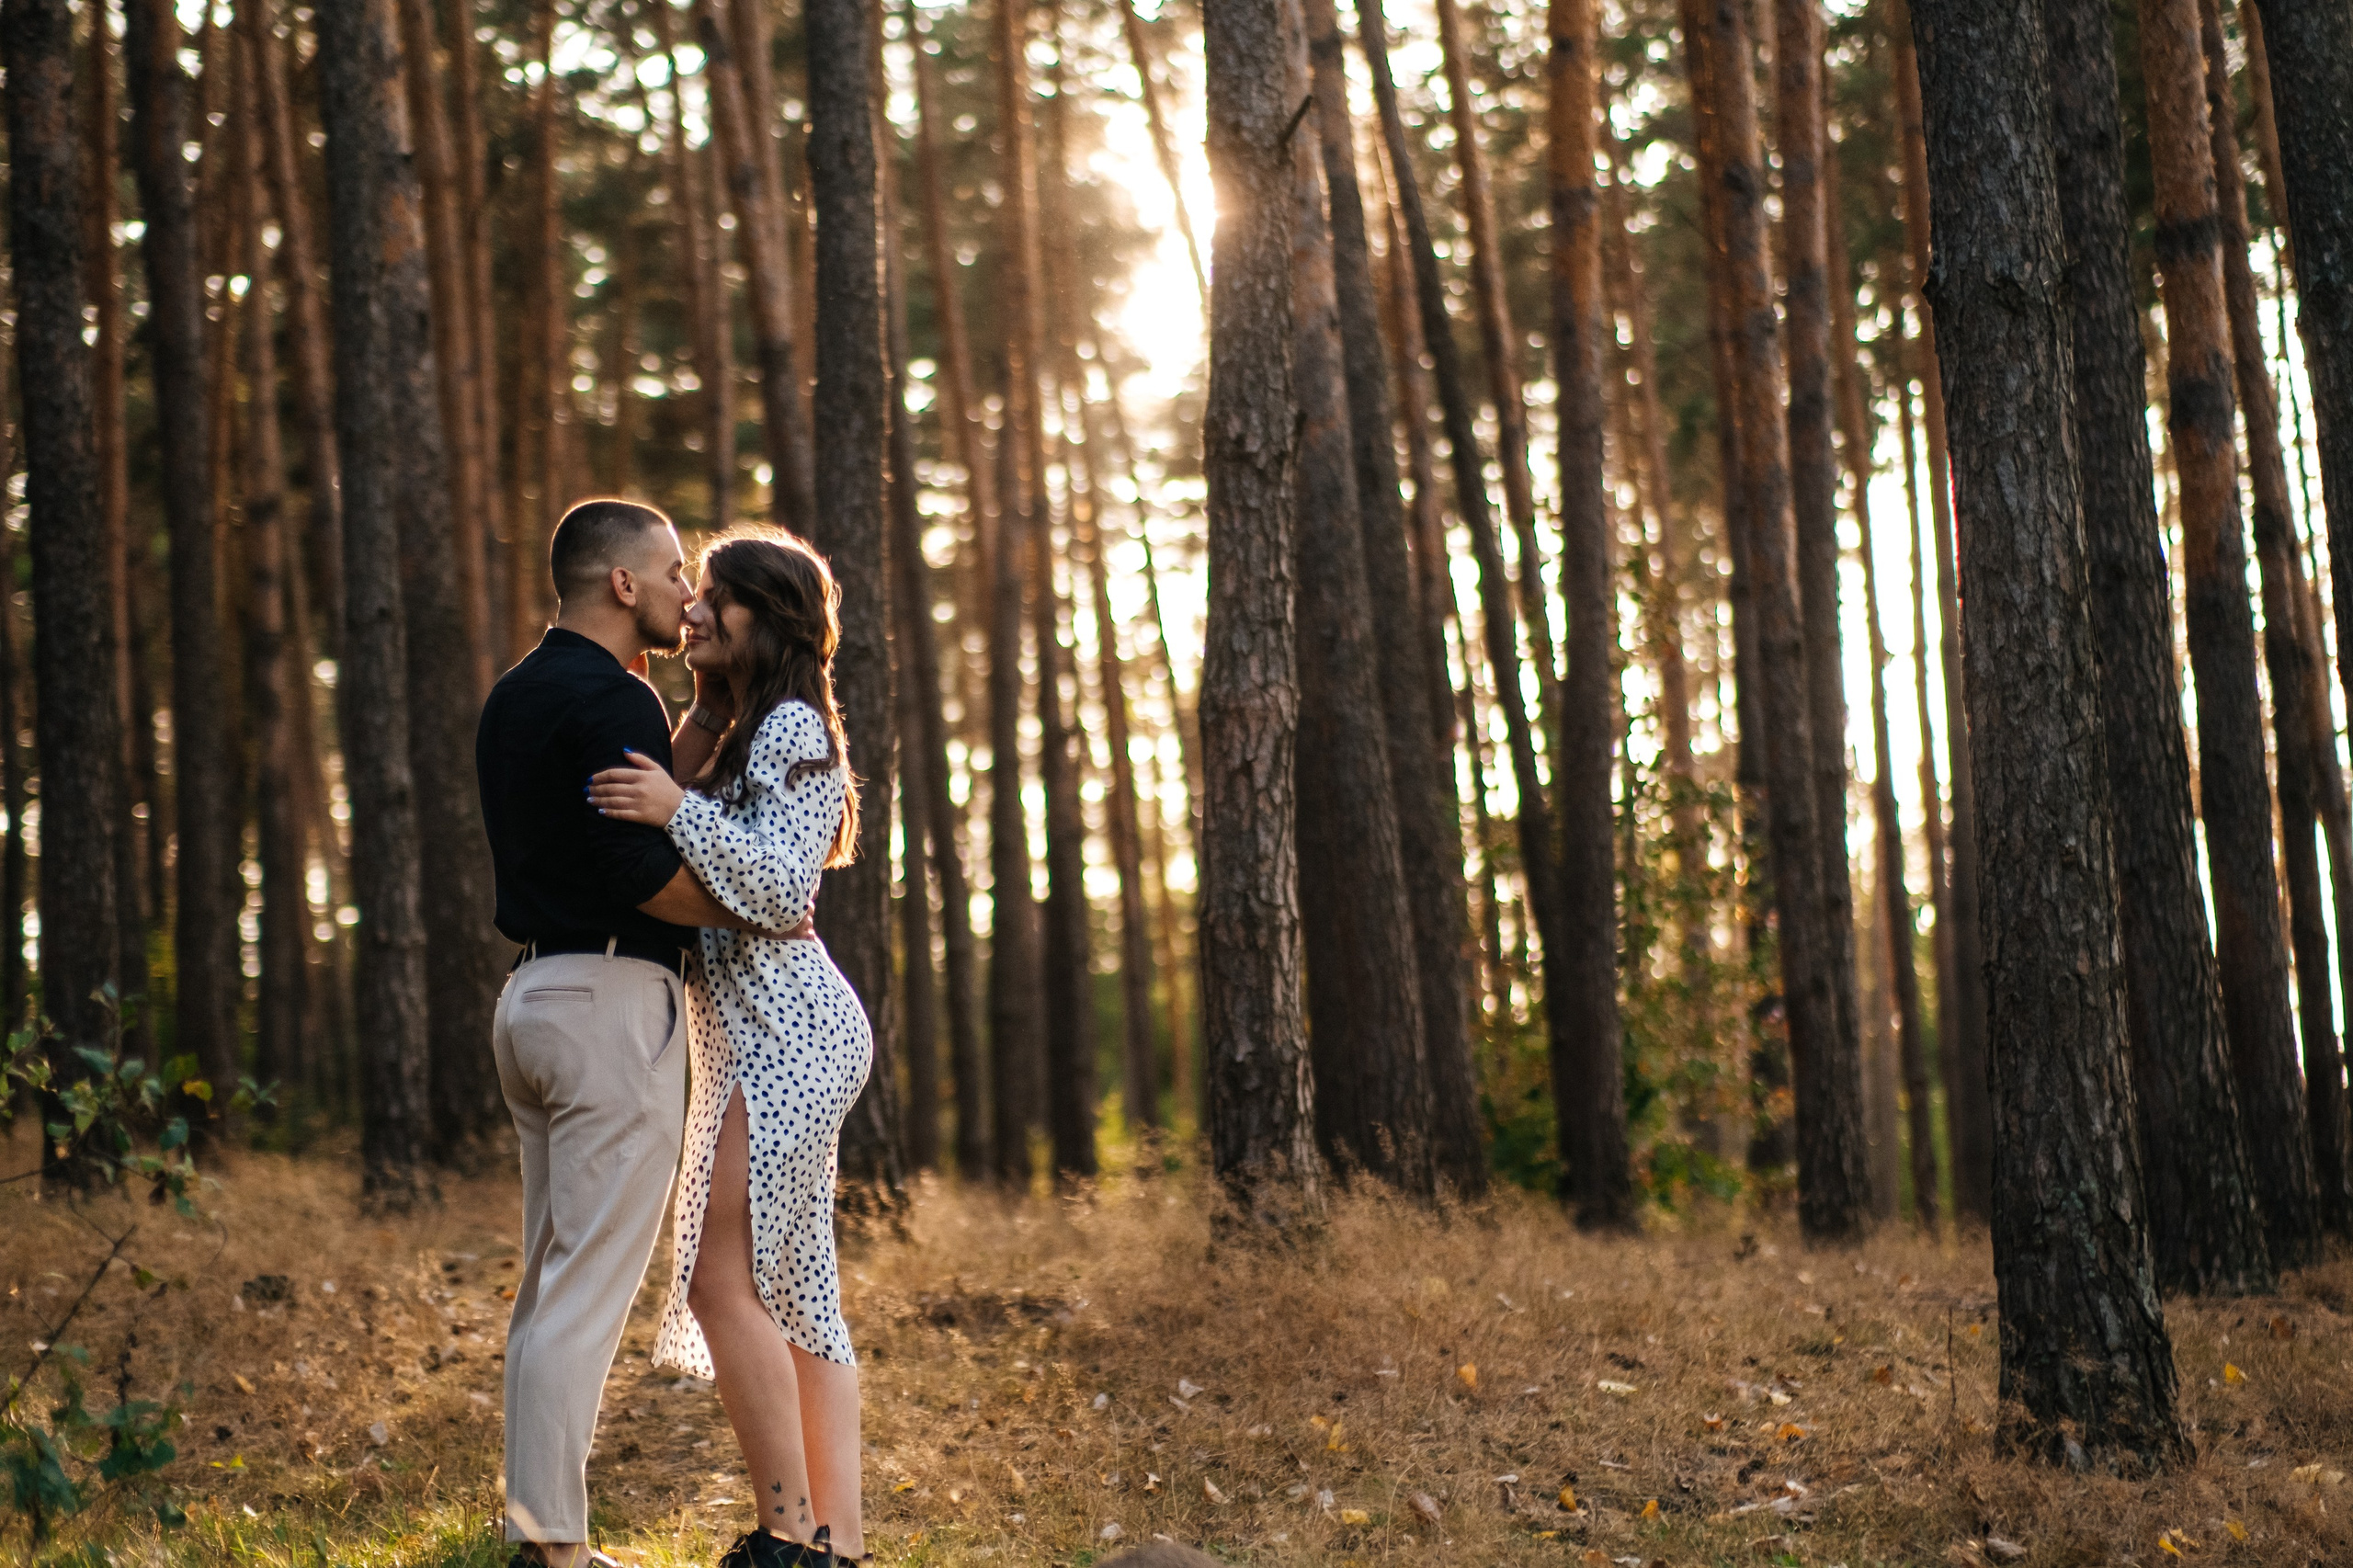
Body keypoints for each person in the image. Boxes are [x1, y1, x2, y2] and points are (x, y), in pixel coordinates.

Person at [475, 499, 792, 1568]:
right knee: (582, 1288)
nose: (687, 595)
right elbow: (642, 874)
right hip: (612, 1005)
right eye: (670, 574)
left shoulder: (518, 691)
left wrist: (693, 722)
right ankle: (554, 1549)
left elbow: (629, 808)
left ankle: (531, 1529)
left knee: (546, 1286)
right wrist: (755, 904)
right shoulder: (611, 693)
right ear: (622, 585)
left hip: (529, 1001)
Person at [589, 525, 874, 1568]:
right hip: (751, 1032)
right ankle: (833, 1543)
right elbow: (645, 811)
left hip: (792, 1024)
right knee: (795, 1287)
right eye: (692, 593)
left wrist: (675, 807)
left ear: (769, 614)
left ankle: (788, 1535)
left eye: (716, 596)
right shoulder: (742, 723)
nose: (693, 610)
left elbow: (773, 887)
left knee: (719, 1277)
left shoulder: (796, 722)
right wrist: (697, 726)